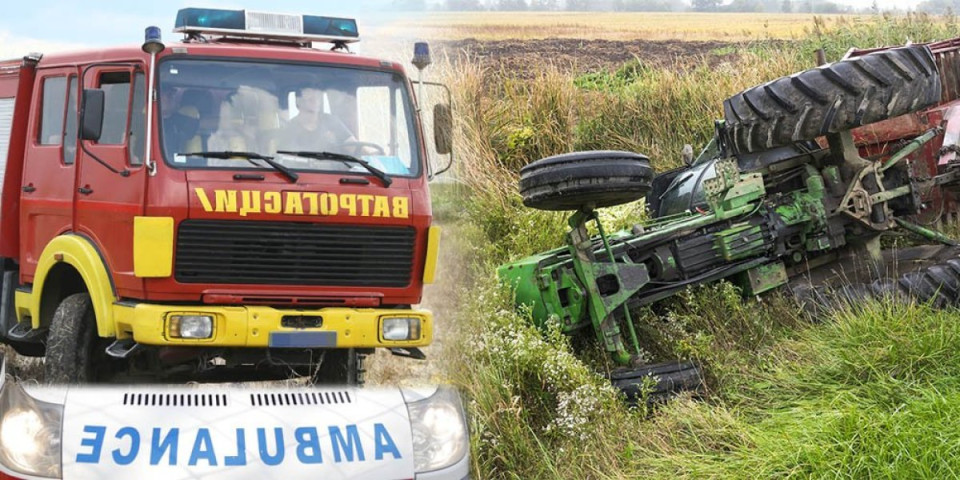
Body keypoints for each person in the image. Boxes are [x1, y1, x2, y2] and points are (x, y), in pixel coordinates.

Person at [276, 87, 356, 153]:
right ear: (299, 102)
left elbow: (353, 146)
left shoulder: (331, 121)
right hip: (301, 170)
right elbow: (286, 157)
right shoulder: (290, 128)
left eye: (317, 98)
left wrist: (367, 153)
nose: (316, 101)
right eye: (310, 99)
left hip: (334, 169)